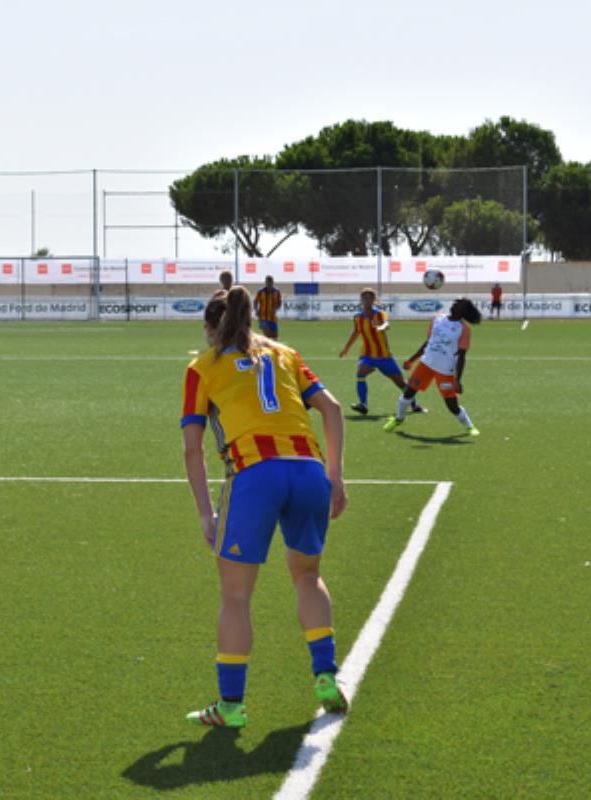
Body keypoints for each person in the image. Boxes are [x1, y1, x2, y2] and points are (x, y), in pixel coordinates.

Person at [180, 287, 349, 728]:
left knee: (235, 595)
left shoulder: (202, 367)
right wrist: (335, 476)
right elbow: (331, 409)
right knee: (308, 576)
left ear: (210, 328)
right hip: (310, 471)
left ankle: (231, 706)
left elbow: (192, 450)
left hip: (255, 475)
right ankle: (326, 676)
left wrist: (204, 513)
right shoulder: (286, 353)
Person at [383, 298, 482, 436]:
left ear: (463, 311)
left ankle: (470, 427)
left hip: (445, 370)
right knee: (408, 392)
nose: (454, 304)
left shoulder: (463, 329)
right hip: (426, 364)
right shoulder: (437, 319)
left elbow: (462, 356)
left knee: (451, 404)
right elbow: (428, 343)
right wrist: (412, 360)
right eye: (455, 302)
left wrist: (457, 380)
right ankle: (399, 419)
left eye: (459, 304)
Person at [339, 288, 425, 416]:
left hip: (384, 357)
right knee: (360, 373)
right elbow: (356, 332)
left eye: (370, 298)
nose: (367, 301)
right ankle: (363, 405)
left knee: (401, 384)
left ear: (374, 300)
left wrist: (381, 327)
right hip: (367, 355)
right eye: (365, 298)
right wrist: (346, 348)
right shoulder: (357, 317)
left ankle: (414, 405)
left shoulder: (379, 314)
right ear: (361, 300)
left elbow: (386, 324)